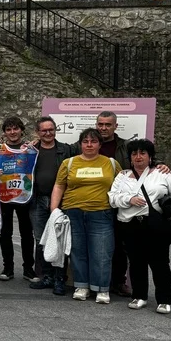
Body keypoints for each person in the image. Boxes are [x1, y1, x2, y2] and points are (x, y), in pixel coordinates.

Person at [109, 139, 171, 315]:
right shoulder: (122, 176)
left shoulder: (163, 174)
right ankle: (139, 296)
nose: (138, 157)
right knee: (136, 262)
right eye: (134, 154)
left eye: (142, 153)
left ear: (150, 156)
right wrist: (129, 199)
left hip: (155, 224)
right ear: (130, 157)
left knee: (160, 263)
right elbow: (112, 198)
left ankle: (164, 299)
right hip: (130, 224)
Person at [50, 128, 121, 304]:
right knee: (77, 251)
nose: (89, 145)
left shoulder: (111, 164)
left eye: (93, 141)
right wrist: (54, 210)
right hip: (73, 213)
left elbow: (123, 184)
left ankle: (102, 288)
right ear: (80, 144)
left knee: (102, 252)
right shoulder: (69, 163)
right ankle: (81, 286)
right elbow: (59, 185)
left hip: (101, 213)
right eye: (85, 141)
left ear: (100, 144)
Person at [0, 116, 37, 282]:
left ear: (22, 130)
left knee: (27, 233)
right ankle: (8, 268)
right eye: (8, 129)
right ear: (4, 132)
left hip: (24, 195)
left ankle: (28, 268)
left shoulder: (30, 148)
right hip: (4, 195)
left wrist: (36, 144)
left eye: (16, 128)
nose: (12, 132)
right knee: (5, 233)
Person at [29, 116, 71, 294]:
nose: (48, 133)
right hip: (37, 200)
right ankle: (47, 276)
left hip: (61, 201)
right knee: (41, 239)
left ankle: (60, 278)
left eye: (51, 129)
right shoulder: (31, 151)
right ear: (37, 132)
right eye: (44, 130)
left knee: (60, 239)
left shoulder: (66, 150)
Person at [95, 110, 131, 299]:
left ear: (115, 126)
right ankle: (93, 280)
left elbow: (144, 160)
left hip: (118, 204)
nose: (103, 128)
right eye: (100, 124)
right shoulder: (86, 144)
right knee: (94, 245)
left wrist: (160, 164)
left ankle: (118, 281)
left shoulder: (125, 146)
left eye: (108, 124)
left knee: (119, 245)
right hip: (94, 202)